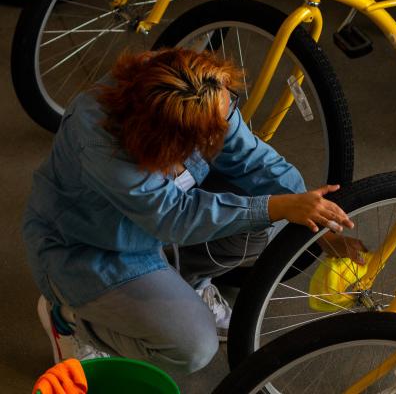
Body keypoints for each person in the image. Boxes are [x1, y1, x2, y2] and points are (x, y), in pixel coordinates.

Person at [22, 48, 361, 374]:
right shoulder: (99, 141)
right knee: (194, 348)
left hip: (156, 225)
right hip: (92, 247)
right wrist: (277, 206)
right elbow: (174, 217)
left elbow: (255, 160)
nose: (228, 126)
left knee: (261, 217)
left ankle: (189, 283)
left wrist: (314, 218)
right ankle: (69, 319)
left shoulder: (197, 85)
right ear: (170, 144)